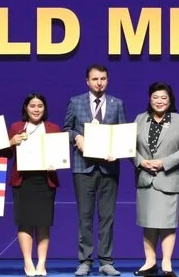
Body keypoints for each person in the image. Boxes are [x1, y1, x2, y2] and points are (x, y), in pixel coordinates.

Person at [64, 64, 127, 277]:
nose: (99, 83)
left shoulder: (117, 104)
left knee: (107, 216)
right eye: (95, 79)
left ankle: (106, 261)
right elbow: (66, 129)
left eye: (103, 79)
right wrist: (77, 137)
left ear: (107, 80)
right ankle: (85, 260)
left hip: (109, 167)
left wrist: (118, 151)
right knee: (85, 216)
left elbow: (123, 133)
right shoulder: (76, 102)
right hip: (83, 167)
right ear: (87, 81)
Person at [133, 82, 179, 277]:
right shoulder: (140, 119)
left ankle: (167, 263)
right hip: (145, 179)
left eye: (163, 97)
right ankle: (150, 262)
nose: (159, 101)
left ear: (170, 100)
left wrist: (163, 163)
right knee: (149, 222)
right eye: (155, 97)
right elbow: (129, 147)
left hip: (168, 178)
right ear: (150, 99)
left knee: (167, 223)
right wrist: (141, 162)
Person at [7, 93, 60, 277]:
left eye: (40, 106)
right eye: (32, 106)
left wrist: (56, 162)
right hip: (23, 181)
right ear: (26, 108)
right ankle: (28, 262)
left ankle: (42, 263)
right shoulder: (16, 127)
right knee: (25, 222)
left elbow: (59, 154)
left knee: (43, 223)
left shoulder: (53, 128)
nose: (36, 109)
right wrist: (11, 142)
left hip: (45, 181)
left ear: (44, 108)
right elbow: (6, 153)